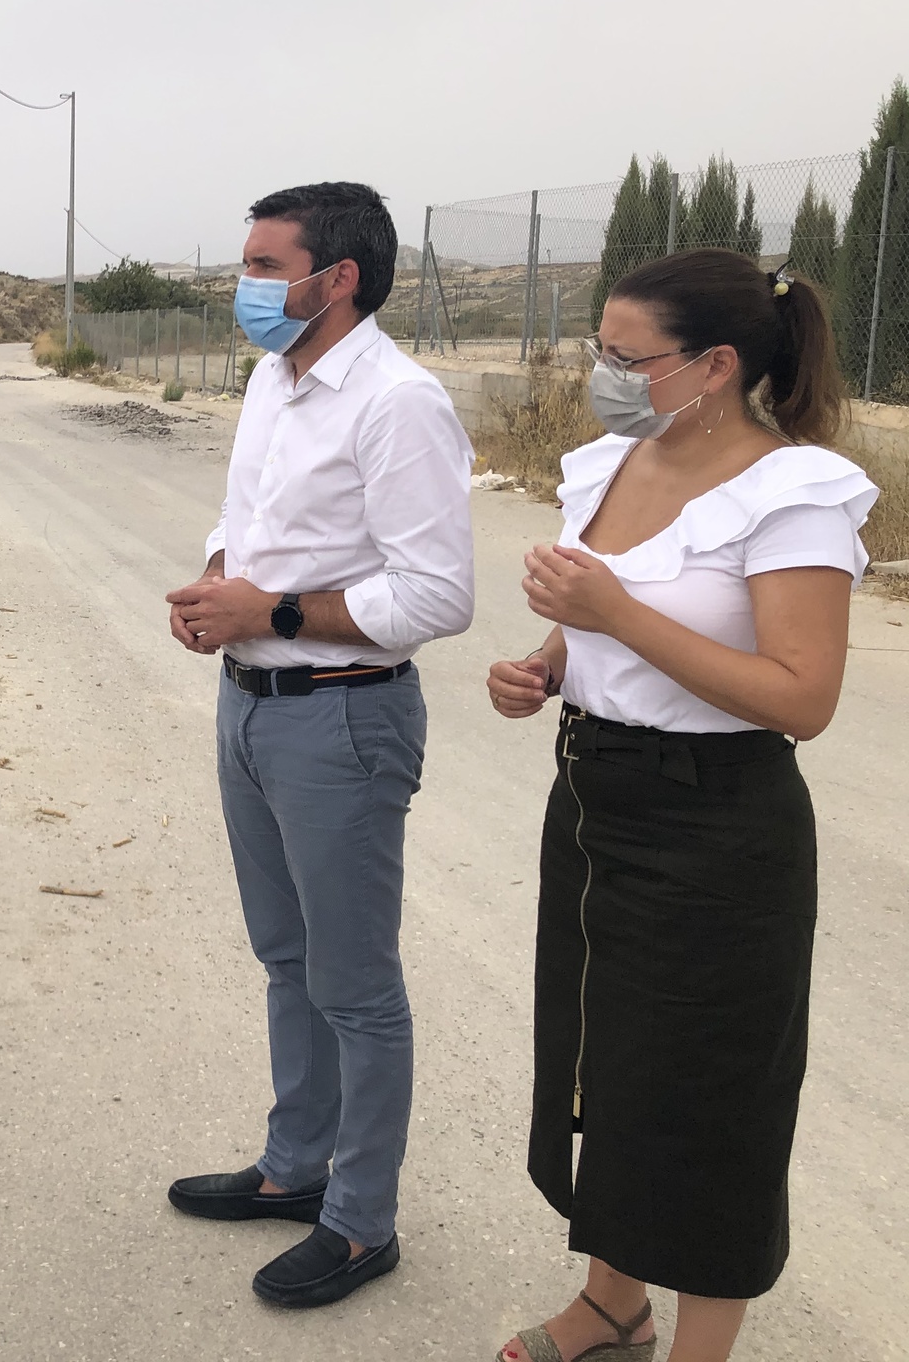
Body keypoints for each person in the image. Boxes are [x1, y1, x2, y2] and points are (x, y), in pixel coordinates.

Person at [485, 248, 875, 1362]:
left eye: (624, 356)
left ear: (713, 364)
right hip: (593, 799)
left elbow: (802, 700)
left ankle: (699, 1347)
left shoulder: (792, 490)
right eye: (596, 349)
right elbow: (597, 616)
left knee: (710, 1099)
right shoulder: (607, 463)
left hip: (717, 830)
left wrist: (610, 617)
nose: (601, 373)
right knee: (602, 1064)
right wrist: (545, 665)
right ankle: (613, 1303)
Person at [163, 182, 475, 1308]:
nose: (243, 286)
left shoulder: (397, 403)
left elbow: (436, 595)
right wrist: (215, 584)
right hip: (249, 706)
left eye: (260, 264)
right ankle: (292, 1170)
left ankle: (358, 1222)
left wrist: (275, 613)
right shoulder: (272, 376)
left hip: (342, 713)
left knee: (353, 984)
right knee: (284, 958)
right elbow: (250, 520)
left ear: (334, 277)